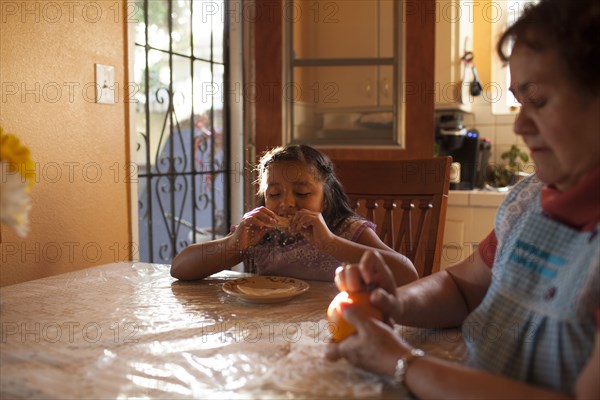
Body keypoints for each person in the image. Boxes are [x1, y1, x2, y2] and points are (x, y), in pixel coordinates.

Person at [325, 0, 600, 398]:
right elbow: (461, 287)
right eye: (519, 102)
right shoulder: (529, 201)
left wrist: (402, 363)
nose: (521, 124)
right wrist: (394, 302)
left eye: (538, 101)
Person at [171, 144, 418, 284]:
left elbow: (407, 275)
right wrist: (234, 245)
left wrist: (331, 244)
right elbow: (180, 268)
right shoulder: (261, 234)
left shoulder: (346, 229)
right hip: (269, 330)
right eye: (275, 194)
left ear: (326, 196)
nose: (287, 204)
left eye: (302, 194)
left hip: (332, 326)